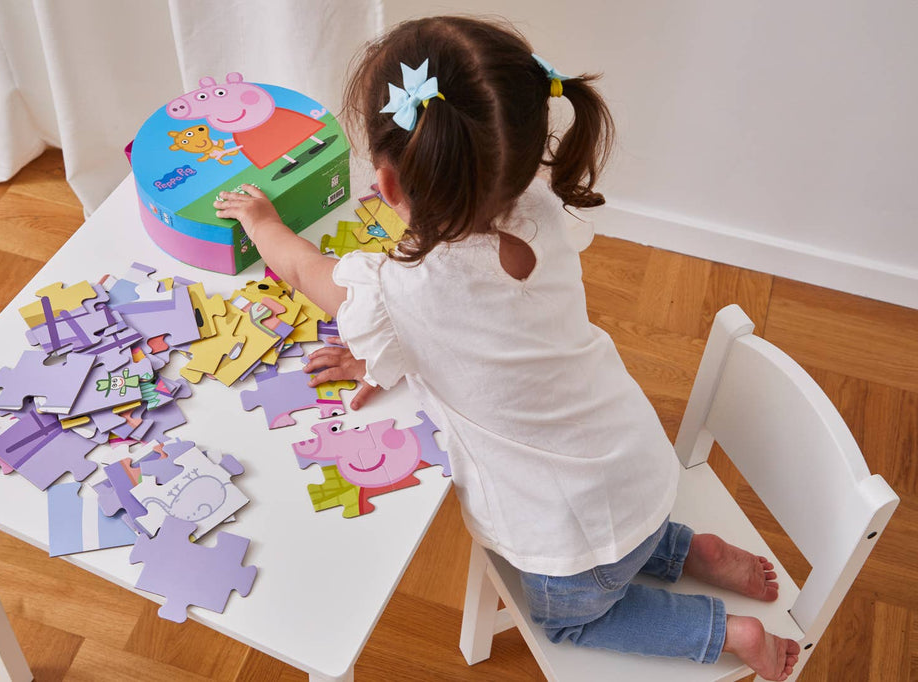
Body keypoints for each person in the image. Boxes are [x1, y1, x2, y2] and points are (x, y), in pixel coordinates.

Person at [213, 15, 800, 681]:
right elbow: (473, 334)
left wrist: (260, 219)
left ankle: (729, 633)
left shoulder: (395, 290)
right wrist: (381, 350)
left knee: (572, 619)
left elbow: (300, 269)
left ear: (388, 186)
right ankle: (692, 552)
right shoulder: (541, 205)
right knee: (622, 535)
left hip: (565, 535)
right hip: (640, 465)